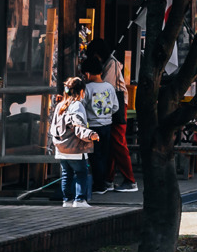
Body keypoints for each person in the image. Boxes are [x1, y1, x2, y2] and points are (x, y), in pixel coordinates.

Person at [86, 39, 137, 192]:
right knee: (110, 143)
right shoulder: (108, 63)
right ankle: (108, 179)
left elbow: (103, 85)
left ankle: (130, 180)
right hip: (108, 105)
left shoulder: (111, 63)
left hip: (116, 105)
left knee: (118, 142)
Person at [51, 77, 97, 208]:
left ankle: (67, 200)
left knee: (66, 174)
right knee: (81, 173)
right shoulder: (77, 106)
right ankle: (80, 200)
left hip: (61, 147)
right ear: (81, 91)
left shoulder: (60, 105)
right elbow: (78, 127)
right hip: (75, 147)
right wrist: (90, 135)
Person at [81, 59, 119, 194]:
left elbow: (81, 106)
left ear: (87, 74)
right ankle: (104, 182)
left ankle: (99, 185)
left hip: (92, 126)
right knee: (104, 154)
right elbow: (116, 106)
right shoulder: (109, 87)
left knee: (95, 156)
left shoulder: (87, 88)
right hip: (107, 125)